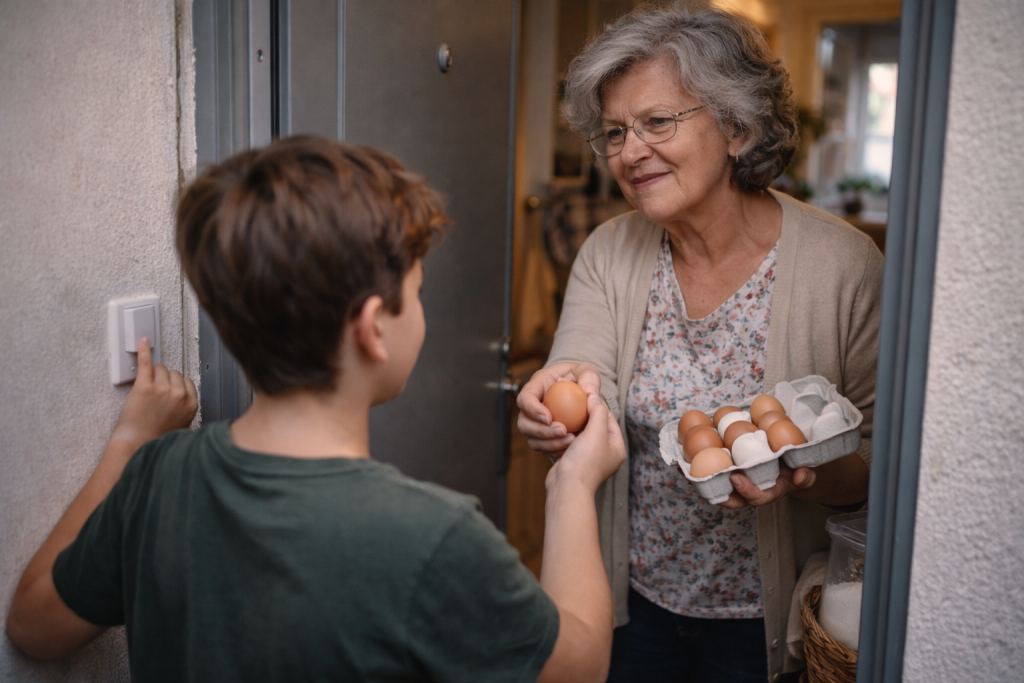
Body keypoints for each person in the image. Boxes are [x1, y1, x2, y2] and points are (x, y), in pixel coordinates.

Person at [7, 137, 627, 683]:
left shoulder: (155, 477)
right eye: (416, 294)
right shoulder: (434, 540)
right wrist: (572, 485)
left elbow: (34, 625)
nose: (421, 312)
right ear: (372, 329)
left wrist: (129, 444)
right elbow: (578, 668)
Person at [516, 7, 883, 683]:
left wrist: (804, 474)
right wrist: (556, 394)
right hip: (635, 605)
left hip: (765, 622)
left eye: (657, 121)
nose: (629, 152)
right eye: (615, 132)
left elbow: (877, 459)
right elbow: (580, 367)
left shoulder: (844, 265)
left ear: (737, 126)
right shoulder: (608, 251)